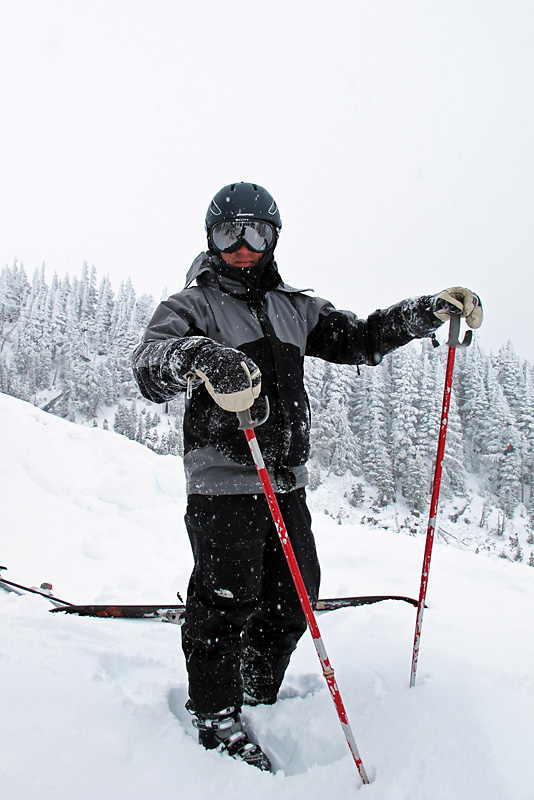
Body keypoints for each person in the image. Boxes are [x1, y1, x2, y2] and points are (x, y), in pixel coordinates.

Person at [132, 181, 483, 771]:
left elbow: (362, 337)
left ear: (273, 239)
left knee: (295, 600)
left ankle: (255, 690)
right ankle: (216, 718)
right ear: (210, 240)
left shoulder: (294, 308)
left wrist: (427, 312)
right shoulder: (190, 307)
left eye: (255, 234)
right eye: (227, 234)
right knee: (225, 603)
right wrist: (200, 356)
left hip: (286, 481)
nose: (241, 248)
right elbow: (150, 365)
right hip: (224, 481)